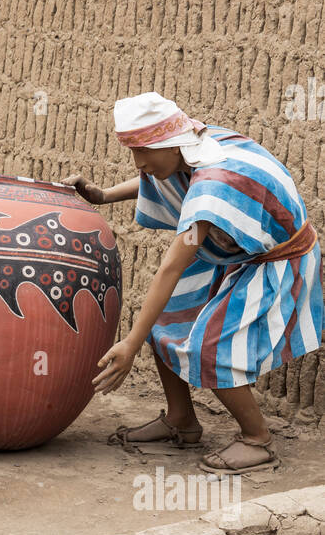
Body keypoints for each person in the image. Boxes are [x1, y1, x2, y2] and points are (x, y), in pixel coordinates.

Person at [64, 92, 322, 473]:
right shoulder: (193, 145)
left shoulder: (213, 182)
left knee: (211, 344)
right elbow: (158, 177)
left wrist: (130, 345)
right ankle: (181, 420)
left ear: (171, 144)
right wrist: (103, 195)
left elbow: (172, 266)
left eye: (143, 152)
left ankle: (258, 439)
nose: (138, 163)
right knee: (164, 316)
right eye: (134, 152)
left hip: (277, 261)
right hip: (236, 251)